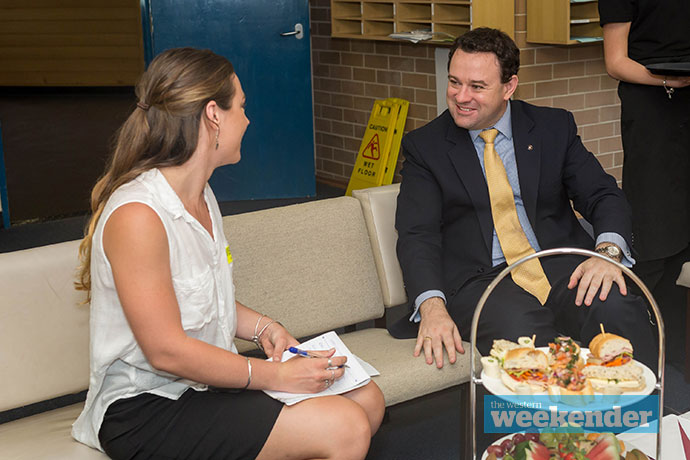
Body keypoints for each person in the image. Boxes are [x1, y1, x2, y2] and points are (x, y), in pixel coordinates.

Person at [71, 47, 384, 460]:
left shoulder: (201, 194)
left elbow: (205, 297)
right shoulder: (138, 215)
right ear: (213, 115)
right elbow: (166, 349)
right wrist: (277, 374)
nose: (248, 119)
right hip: (146, 408)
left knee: (367, 398)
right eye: (242, 107)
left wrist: (265, 329)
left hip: (203, 384)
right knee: (344, 426)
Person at [391, 28, 656, 370]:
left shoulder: (551, 128)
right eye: (454, 82)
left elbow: (603, 194)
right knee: (523, 335)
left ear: (509, 87)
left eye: (477, 86)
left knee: (617, 307)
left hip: (554, 262)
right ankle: (549, 425)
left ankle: (634, 419)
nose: (461, 96)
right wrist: (431, 306)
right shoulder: (425, 147)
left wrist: (607, 253)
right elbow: (417, 235)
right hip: (480, 278)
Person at [599, 0, 690, 368]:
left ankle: (677, 354)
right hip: (654, 103)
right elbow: (615, 62)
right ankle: (638, 354)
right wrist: (670, 80)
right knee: (655, 226)